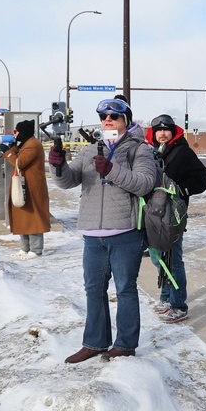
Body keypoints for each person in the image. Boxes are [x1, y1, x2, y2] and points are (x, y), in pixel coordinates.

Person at [48, 98, 157, 362]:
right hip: (92, 236)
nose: (108, 120)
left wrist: (112, 169)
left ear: (125, 120)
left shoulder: (139, 150)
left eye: (114, 116)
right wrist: (57, 165)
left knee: (125, 290)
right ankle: (95, 343)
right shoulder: (88, 151)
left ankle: (125, 344)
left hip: (125, 232)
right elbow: (68, 182)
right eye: (104, 116)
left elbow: (144, 183)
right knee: (93, 289)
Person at [144, 113, 206, 324]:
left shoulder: (182, 152)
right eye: (159, 131)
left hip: (172, 215)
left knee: (173, 260)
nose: (163, 134)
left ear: (173, 132)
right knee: (157, 257)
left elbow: (202, 178)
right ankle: (165, 297)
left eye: (166, 130)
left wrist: (181, 190)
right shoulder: (150, 153)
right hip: (152, 214)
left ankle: (178, 305)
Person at [3, 119, 50, 259]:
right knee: (23, 216)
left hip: (32, 187)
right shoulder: (26, 143)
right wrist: (13, 148)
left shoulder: (32, 145)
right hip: (24, 185)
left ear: (23, 132)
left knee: (33, 217)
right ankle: (25, 248)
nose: (15, 134)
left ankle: (35, 249)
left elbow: (19, 163)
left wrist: (8, 153)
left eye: (16, 131)